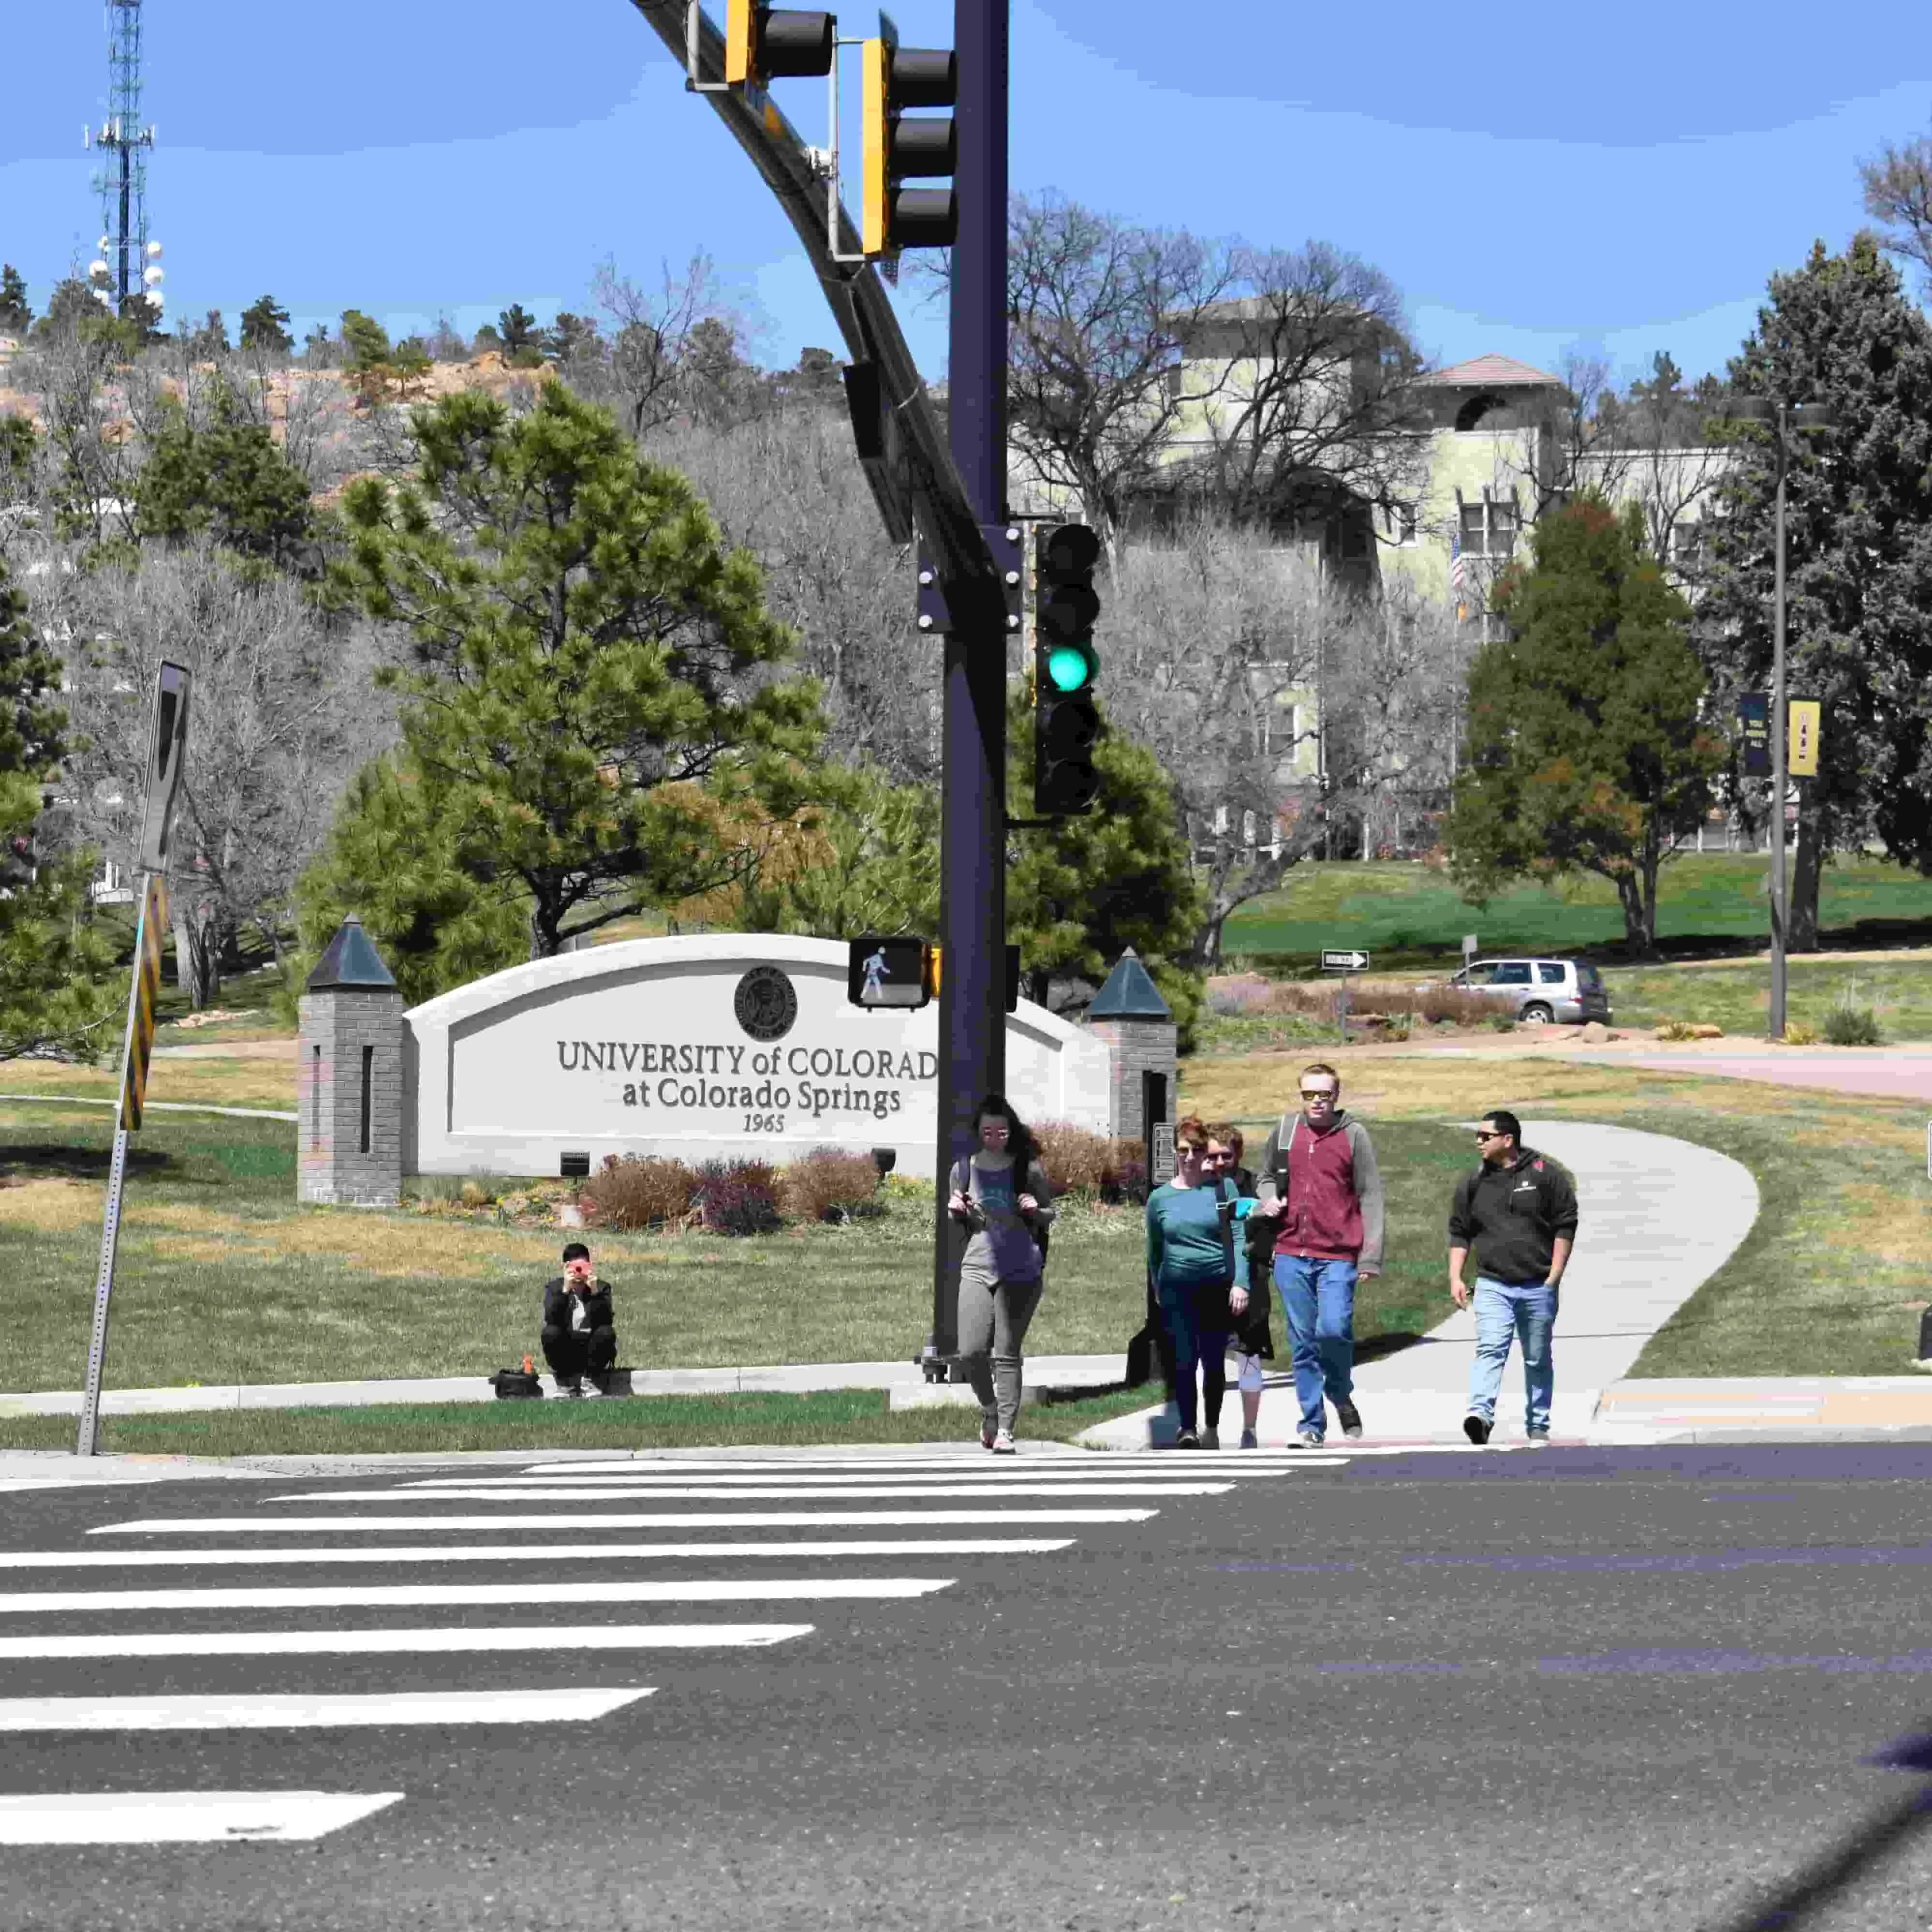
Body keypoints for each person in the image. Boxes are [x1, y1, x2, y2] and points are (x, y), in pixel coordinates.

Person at [1253, 1062, 1385, 1447]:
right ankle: (1311, 1423)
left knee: (1334, 1329)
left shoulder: (1354, 1136)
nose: (1316, 1101)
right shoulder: (1286, 1131)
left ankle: (1340, 1392)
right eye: (1309, 1094)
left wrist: (1370, 1256)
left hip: (1337, 1255)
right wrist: (1268, 1198)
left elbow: (1371, 1195)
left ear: (1336, 1096)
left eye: (1323, 1094)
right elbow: (1264, 1177)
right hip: (1291, 1251)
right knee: (1303, 1341)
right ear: (1301, 1096)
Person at [1448, 1108, 1578, 1446]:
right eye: (1477, 1135)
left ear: (1507, 1139)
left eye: (1485, 1136)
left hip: (1538, 1284)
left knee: (1536, 1356)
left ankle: (1537, 1424)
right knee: (1490, 1348)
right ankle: (1479, 1415)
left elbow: (1566, 1222)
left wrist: (1555, 1274)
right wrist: (1455, 1276)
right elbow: (1460, 1232)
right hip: (1493, 1284)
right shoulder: (1473, 1182)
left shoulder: (1544, 1175)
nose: (1478, 1141)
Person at [947, 1094, 1056, 1454]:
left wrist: (1034, 1208)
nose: (995, 1137)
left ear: (1010, 1131)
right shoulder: (963, 1168)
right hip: (977, 1266)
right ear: (979, 1131)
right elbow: (960, 1213)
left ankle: (1007, 1429)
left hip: (1020, 1268)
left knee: (1007, 1352)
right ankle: (990, 1410)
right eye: (988, 1131)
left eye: (1002, 1131)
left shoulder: (1028, 1169)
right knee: (970, 1351)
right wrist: (955, 1209)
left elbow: (1048, 1213)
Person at [1146, 1116, 1242, 1449]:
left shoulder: (1221, 1188)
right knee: (1183, 1360)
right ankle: (1187, 1427)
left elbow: (1238, 1237)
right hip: (1177, 1288)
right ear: (1174, 1150)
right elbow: (1154, 1249)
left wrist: (1240, 1283)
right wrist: (1157, 1285)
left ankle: (1212, 1426)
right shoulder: (1159, 1198)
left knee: (1213, 1363)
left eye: (1197, 1149)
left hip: (1216, 1287)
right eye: (1184, 1149)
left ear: (1206, 1151)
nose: (1190, 1156)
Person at [1206, 1126, 1271, 1450]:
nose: (1219, 1162)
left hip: (1251, 1282)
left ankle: (1250, 1430)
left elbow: (1268, 1227)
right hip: (1209, 1282)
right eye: (1213, 1155)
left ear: (1238, 1154)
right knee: (1211, 1358)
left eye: (1226, 1155)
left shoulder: (1254, 1185)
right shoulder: (1199, 1186)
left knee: (1248, 1355)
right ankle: (1211, 1428)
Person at [541, 1242, 617, 1397]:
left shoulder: (602, 1288)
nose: (578, 1272)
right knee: (550, 1332)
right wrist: (565, 1291)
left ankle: (592, 1380)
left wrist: (594, 1292)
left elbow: (606, 1321)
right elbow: (551, 1318)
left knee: (606, 1332)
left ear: (589, 1265)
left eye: (582, 1266)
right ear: (565, 1267)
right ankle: (564, 1383)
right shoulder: (554, 1288)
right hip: (566, 1348)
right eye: (574, 1267)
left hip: (592, 1349)